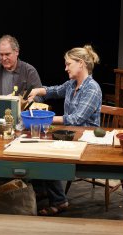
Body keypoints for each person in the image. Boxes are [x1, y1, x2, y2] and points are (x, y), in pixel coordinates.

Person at [27, 45, 102, 215]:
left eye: (68, 64)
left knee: (48, 154)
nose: (65, 68)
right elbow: (55, 90)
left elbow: (77, 119)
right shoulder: (72, 84)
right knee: (37, 146)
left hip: (86, 139)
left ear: (80, 64)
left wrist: (43, 117)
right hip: (71, 134)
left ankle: (59, 201)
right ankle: (42, 189)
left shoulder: (92, 89)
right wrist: (38, 90)